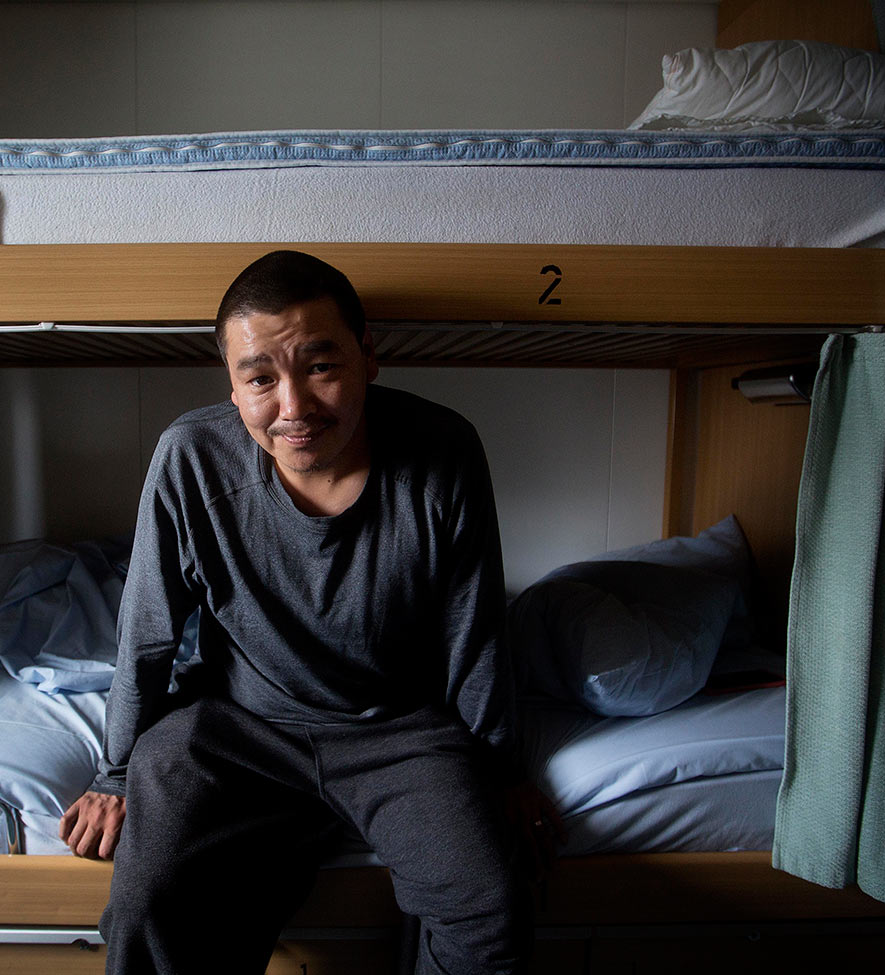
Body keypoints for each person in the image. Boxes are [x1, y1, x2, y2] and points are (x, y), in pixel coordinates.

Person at [59, 250, 557, 974]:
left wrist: (501, 769)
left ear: (368, 359)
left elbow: (473, 634)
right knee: (148, 900)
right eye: (260, 378)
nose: (293, 407)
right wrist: (114, 771)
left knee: (491, 905)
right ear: (233, 387)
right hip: (238, 726)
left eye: (320, 367)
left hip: (398, 730)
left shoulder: (443, 451)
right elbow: (148, 633)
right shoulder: (190, 458)